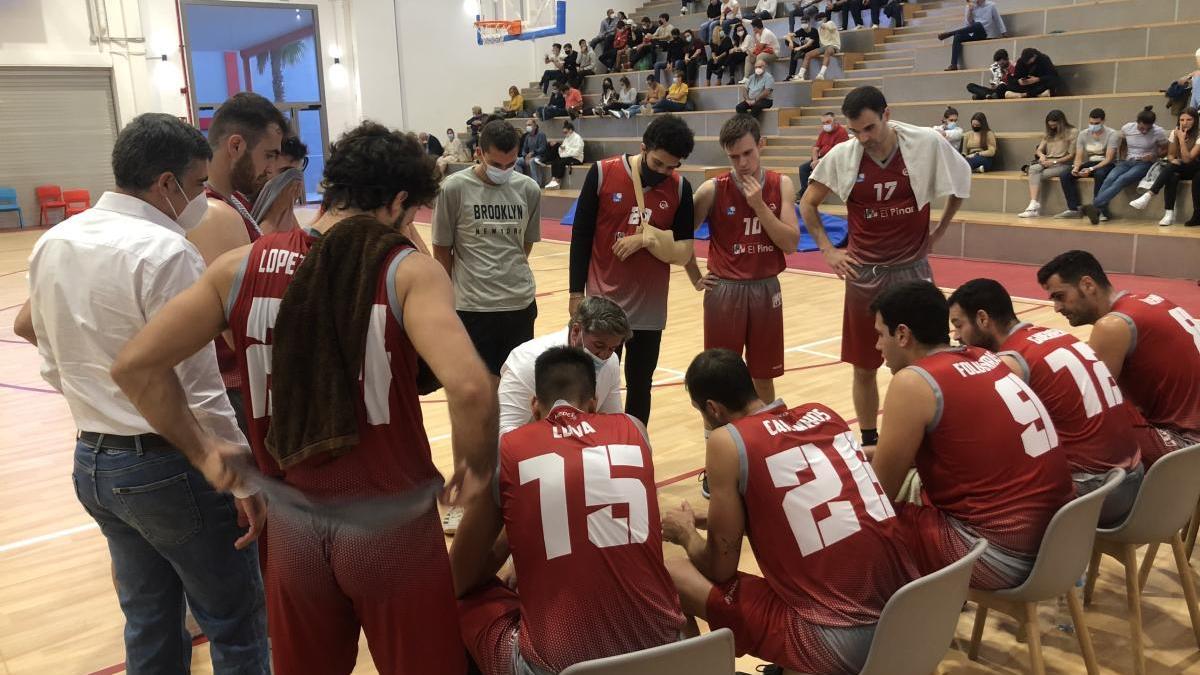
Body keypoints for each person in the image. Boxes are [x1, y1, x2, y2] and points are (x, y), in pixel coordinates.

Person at [109, 121, 495, 674]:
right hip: (392, 528)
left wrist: (203, 451)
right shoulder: (407, 270)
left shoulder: (238, 267)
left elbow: (135, 365)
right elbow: (470, 386)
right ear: (400, 202)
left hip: (292, 527)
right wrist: (474, 467)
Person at [14, 112, 270, 675]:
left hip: (93, 461)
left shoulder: (55, 241)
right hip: (170, 463)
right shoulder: (167, 251)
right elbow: (200, 388)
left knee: (149, 621)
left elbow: (38, 340)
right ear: (166, 184)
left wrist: (93, 399)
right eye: (200, 183)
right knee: (235, 620)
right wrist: (239, 477)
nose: (204, 196)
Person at [660, 349, 920, 674]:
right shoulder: (822, 413)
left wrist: (685, 532)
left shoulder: (727, 441)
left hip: (840, 644)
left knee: (672, 571)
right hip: (913, 617)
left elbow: (719, 568)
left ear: (712, 409)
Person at [452, 347, 685, 675]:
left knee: (457, 601)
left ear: (534, 407)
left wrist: (516, 535)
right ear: (593, 406)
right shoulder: (636, 431)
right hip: (670, 658)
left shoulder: (507, 450)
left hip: (560, 668)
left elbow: (458, 578)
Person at [870, 280, 1074, 589]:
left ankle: (890, 628)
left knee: (863, 525)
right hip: (1061, 544)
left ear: (902, 334)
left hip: (1000, 558)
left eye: (880, 334)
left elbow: (880, 492)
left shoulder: (913, 383)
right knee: (916, 487)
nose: (877, 346)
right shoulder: (987, 358)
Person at [800, 86, 971, 451]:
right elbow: (808, 204)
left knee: (927, 359)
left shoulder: (924, 142)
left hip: (912, 270)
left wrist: (939, 230)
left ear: (887, 115)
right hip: (866, 274)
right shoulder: (844, 155)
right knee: (864, 366)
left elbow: (961, 181)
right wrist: (828, 250)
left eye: (870, 128)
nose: (864, 138)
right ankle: (869, 440)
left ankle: (929, 436)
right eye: (856, 131)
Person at [948, 278, 1144, 525]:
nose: (956, 336)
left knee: (967, 489)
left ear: (983, 319)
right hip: (1135, 477)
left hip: (1096, 495)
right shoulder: (1058, 336)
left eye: (958, 325)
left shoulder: (1010, 362)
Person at [568, 115, 697, 424]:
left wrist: (644, 240)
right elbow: (581, 235)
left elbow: (684, 251)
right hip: (603, 303)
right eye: (658, 163)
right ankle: (592, 447)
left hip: (649, 310)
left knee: (641, 386)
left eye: (672, 166)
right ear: (643, 148)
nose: (664, 172)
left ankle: (637, 446)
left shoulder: (680, 189)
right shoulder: (602, 173)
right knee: (593, 382)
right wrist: (575, 292)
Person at [1038, 250, 1200, 466]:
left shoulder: (1113, 325)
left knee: (1086, 424)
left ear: (1088, 285)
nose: (1057, 308)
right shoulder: (1151, 300)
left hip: (1186, 445)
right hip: (1189, 430)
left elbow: (1088, 408)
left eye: (1060, 296)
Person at [185, 93, 287, 436]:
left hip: (242, 384)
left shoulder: (234, 202)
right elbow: (238, 322)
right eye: (268, 155)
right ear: (236, 145)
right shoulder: (214, 213)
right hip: (238, 386)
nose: (272, 168)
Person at [687, 114, 799, 405]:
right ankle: (718, 438)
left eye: (747, 153)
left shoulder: (781, 184)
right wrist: (695, 275)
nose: (742, 163)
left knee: (764, 374)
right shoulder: (712, 189)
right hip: (725, 289)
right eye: (733, 157)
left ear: (761, 145)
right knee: (720, 374)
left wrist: (760, 206)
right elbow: (681, 238)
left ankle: (764, 436)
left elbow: (790, 243)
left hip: (766, 287)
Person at [433, 120, 542, 380]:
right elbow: (441, 250)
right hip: (474, 308)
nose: (503, 170)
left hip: (519, 304)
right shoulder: (454, 188)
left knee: (516, 388)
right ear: (479, 154)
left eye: (510, 164)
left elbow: (524, 245)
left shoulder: (529, 189)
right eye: (495, 165)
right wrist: (448, 302)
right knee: (477, 392)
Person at [497, 298, 630, 436]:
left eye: (612, 348)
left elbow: (613, 422)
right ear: (576, 331)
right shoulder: (526, 361)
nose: (604, 356)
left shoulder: (611, 361)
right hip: (533, 452)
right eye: (599, 346)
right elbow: (503, 434)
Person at [1082, 106, 1169, 225]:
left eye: (1147, 129)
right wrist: (1122, 157)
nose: (1144, 131)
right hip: (1127, 161)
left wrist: (1154, 155)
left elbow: (1165, 150)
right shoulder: (1128, 128)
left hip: (1144, 163)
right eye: (1141, 128)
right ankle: (1098, 210)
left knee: (1123, 179)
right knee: (1110, 178)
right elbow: (1123, 144)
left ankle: (1094, 205)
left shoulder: (1158, 132)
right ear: (1137, 123)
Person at [1129, 107, 1200, 226]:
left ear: (1195, 120)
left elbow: (1189, 158)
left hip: (1196, 166)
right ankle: (1168, 213)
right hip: (1182, 166)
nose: (1185, 123)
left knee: (1177, 169)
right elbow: (1171, 155)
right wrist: (1173, 160)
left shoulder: (1198, 134)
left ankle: (1148, 195)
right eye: (1182, 120)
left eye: (1189, 120)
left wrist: (1182, 140)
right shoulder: (1174, 132)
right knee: (1172, 173)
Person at [1056, 108, 1120, 219]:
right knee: (1065, 175)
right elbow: (1079, 156)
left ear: (1103, 121)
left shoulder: (1112, 134)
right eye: (1091, 123)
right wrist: (1076, 168)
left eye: (1097, 123)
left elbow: (1109, 158)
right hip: (1091, 162)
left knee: (1100, 174)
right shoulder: (1083, 134)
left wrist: (1091, 169)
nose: (1093, 125)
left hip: (1106, 164)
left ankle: (1100, 209)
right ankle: (1074, 209)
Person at [1019, 110, 1077, 218]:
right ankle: (1033, 203)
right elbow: (1039, 149)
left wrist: (1054, 161)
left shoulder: (1072, 132)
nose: (1053, 128)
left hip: (1063, 164)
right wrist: (1041, 156)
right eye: (1050, 126)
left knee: (1035, 174)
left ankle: (1033, 208)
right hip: (1047, 161)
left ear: (1061, 122)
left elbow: (1071, 155)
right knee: (1034, 169)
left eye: (1055, 125)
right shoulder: (1049, 133)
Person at [938, 0, 1007, 71]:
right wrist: (970, 11)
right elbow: (968, 25)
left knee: (978, 24)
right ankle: (954, 64)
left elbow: (998, 20)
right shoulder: (970, 6)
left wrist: (1004, 33)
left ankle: (950, 33)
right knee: (957, 36)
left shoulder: (991, 5)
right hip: (974, 34)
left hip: (986, 34)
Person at [796, 111, 850, 198]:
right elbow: (815, 148)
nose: (825, 125)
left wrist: (820, 161)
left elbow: (837, 153)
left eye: (828, 122)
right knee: (803, 168)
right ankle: (806, 193)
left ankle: (805, 194)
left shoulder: (841, 132)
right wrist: (815, 160)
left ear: (835, 121)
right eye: (823, 123)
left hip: (833, 160)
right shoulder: (823, 132)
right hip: (821, 158)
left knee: (817, 169)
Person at [541, 121, 584, 190]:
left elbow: (577, 152)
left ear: (571, 130)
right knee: (555, 161)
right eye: (564, 133)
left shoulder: (578, 138)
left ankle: (558, 182)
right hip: (566, 156)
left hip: (576, 158)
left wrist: (565, 150)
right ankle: (553, 179)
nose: (565, 134)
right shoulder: (567, 138)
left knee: (561, 162)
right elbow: (561, 149)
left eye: (566, 132)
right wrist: (563, 150)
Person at [800, 13, 842, 81]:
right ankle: (800, 75)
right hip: (824, 47)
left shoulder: (831, 23)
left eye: (820, 19)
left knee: (828, 51)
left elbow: (830, 27)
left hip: (834, 46)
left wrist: (822, 24)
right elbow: (817, 39)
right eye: (817, 20)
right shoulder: (819, 29)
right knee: (808, 55)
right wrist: (807, 41)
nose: (818, 22)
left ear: (825, 18)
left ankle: (821, 74)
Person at [516, 119, 549, 185]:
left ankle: (536, 183)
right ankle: (520, 181)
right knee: (517, 161)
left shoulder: (541, 135)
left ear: (535, 126)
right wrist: (525, 156)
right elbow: (524, 149)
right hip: (529, 156)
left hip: (540, 156)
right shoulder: (527, 136)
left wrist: (533, 153)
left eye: (529, 125)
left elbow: (542, 148)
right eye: (527, 125)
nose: (527, 126)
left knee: (532, 161)